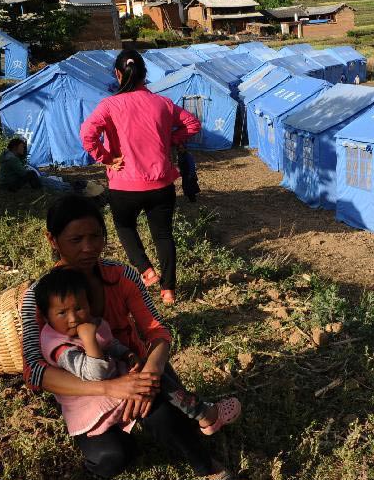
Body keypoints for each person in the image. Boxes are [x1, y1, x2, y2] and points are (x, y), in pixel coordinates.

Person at [20, 195, 237, 479]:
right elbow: (34, 372)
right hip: (87, 392)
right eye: (76, 240)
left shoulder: (122, 276)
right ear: (52, 240)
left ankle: (208, 467)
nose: (89, 248)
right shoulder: (38, 297)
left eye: (96, 236)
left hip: (137, 370)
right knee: (113, 455)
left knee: (165, 417)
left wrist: (149, 376)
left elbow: (157, 331)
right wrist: (112, 389)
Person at [35, 266, 240, 439]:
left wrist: (126, 354)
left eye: (79, 308)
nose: (73, 318)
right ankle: (205, 413)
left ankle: (195, 419)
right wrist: (88, 339)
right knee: (158, 385)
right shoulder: (59, 346)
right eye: (62, 313)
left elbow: (109, 341)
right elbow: (95, 375)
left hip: (119, 380)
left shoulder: (111, 291)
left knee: (154, 376)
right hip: (95, 402)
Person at [80, 49, 201, 305]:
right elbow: (192, 124)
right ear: (145, 74)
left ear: (117, 74)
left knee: (125, 228)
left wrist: (106, 158)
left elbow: (87, 134)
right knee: (163, 236)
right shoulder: (163, 104)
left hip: (124, 184)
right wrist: (171, 139)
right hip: (161, 184)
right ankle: (169, 291)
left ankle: (146, 271)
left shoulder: (109, 105)